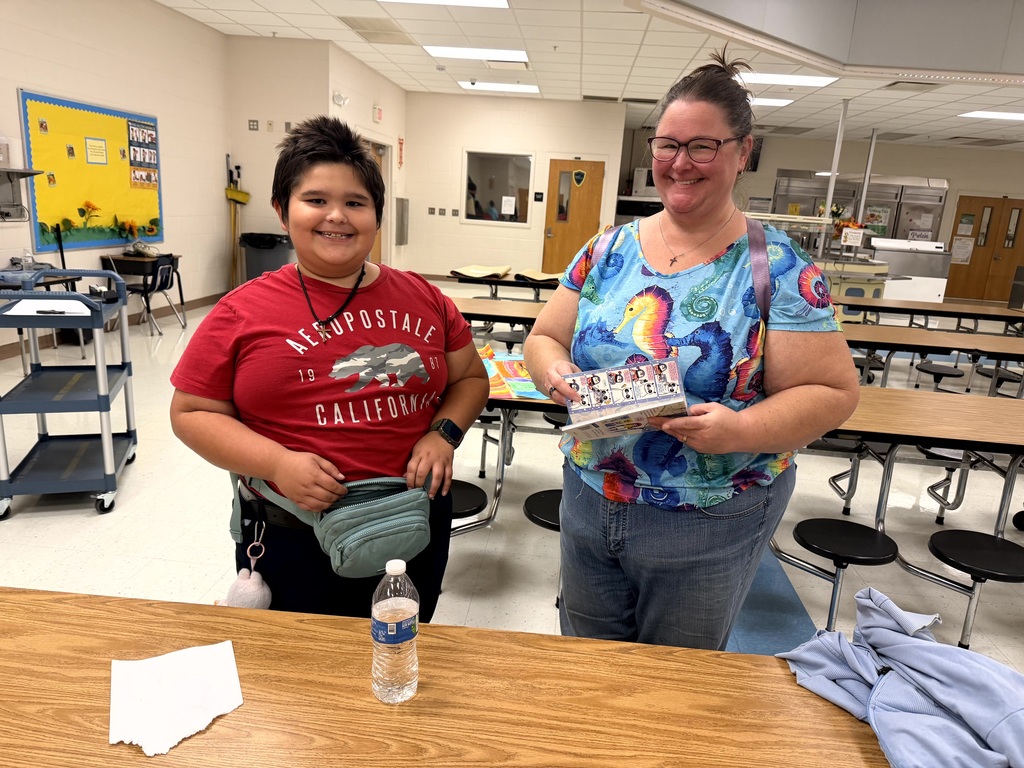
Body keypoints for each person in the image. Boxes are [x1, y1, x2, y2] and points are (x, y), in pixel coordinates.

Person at [523, 49, 859, 650]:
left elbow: (833, 393)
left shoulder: (778, 269)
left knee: (678, 683)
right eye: (666, 145)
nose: (680, 163)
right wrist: (558, 376)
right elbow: (545, 338)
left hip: (710, 516)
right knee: (585, 666)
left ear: (742, 152)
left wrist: (741, 428)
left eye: (702, 146)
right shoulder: (606, 250)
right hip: (590, 495)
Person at [170, 115, 489, 621]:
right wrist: (276, 463)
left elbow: (470, 377)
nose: (336, 216)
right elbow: (190, 413)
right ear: (282, 210)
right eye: (316, 200)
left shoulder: (426, 297)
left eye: (355, 203)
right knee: (297, 678)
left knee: (400, 652)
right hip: (294, 530)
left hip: (412, 521)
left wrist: (443, 435)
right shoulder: (240, 311)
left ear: (376, 216)